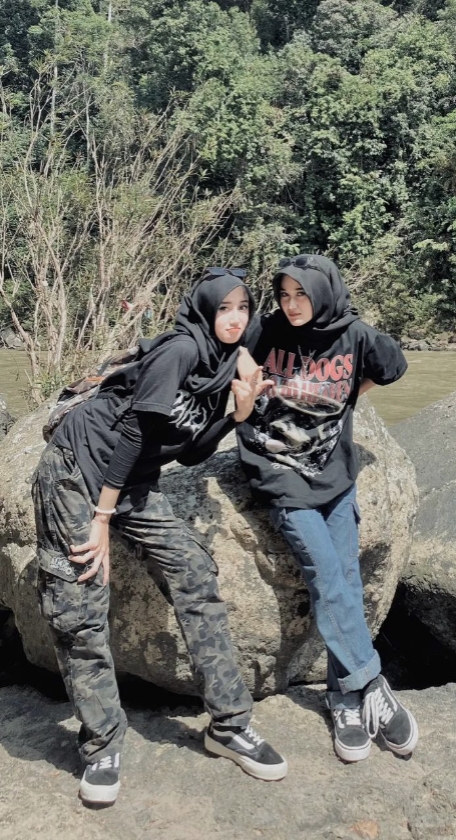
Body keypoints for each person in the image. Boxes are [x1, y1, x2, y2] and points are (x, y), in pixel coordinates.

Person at [32, 269, 287, 807]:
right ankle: (102, 744)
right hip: (78, 471)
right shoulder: (180, 351)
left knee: (194, 574)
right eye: (223, 308)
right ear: (204, 310)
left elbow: (191, 451)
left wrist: (238, 413)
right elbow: (134, 433)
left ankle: (229, 725)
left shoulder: (224, 363)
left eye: (243, 307)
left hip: (133, 482)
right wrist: (102, 518)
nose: (234, 318)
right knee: (79, 605)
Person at [236, 254, 418, 764]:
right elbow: (225, 358)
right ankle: (373, 684)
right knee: (324, 574)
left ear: (325, 293)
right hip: (279, 471)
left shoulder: (353, 334)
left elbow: (393, 366)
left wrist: (347, 398)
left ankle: (344, 700)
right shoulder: (265, 331)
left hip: (334, 473)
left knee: (347, 580)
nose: (292, 305)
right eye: (284, 295)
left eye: (302, 294)